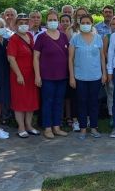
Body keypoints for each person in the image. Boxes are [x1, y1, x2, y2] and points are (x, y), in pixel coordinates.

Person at [69, 14, 107, 139]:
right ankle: (83, 129)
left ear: (91, 24)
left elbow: (102, 57)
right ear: (79, 24)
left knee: (94, 103)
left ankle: (94, 128)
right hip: (80, 77)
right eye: (83, 22)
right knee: (82, 103)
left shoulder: (98, 38)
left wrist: (104, 74)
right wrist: (72, 77)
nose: (85, 24)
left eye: (88, 22)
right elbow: (70, 59)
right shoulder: (75, 39)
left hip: (95, 77)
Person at [34, 10, 70, 139]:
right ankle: (47, 127)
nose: (53, 22)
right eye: (50, 20)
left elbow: (68, 56)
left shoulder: (63, 36)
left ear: (58, 22)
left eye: (55, 20)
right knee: (47, 102)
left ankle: (57, 126)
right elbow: (35, 57)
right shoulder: (41, 37)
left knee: (59, 102)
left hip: (62, 76)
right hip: (47, 76)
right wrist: (37, 75)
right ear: (46, 21)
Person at [7, 13, 40, 138]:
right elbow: (11, 59)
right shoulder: (13, 39)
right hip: (19, 75)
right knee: (20, 102)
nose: (24, 25)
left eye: (26, 23)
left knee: (31, 101)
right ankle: (21, 127)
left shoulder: (30, 36)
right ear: (16, 25)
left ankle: (29, 125)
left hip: (31, 74)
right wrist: (19, 74)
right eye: (21, 23)